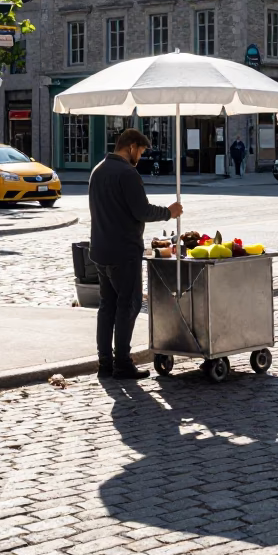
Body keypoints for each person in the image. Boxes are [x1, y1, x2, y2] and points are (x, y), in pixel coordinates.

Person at [89, 128, 182, 380]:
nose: (139, 157)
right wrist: (169, 212)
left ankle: (104, 363)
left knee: (106, 306)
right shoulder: (127, 173)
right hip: (124, 251)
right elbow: (142, 210)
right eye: (140, 151)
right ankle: (122, 364)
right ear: (131, 147)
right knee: (127, 306)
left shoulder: (97, 170)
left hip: (100, 249)